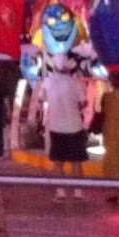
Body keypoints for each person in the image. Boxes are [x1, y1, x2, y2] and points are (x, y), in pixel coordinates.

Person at [41, 64, 90, 200]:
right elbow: (84, 103)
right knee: (77, 162)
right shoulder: (76, 82)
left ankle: (60, 192)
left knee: (58, 162)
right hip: (75, 126)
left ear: (54, 68)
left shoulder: (48, 81)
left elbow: (42, 99)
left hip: (56, 126)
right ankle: (78, 192)